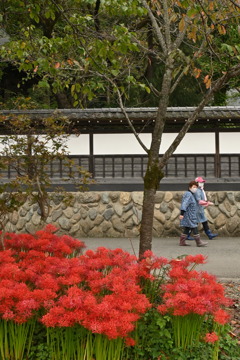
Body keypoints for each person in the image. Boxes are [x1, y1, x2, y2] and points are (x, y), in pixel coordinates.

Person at [179, 180, 208, 247]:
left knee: (187, 228)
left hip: (190, 214)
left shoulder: (191, 194)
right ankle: (199, 242)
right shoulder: (188, 194)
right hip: (189, 214)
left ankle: (182, 241)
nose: (195, 188)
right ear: (190, 187)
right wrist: (182, 213)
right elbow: (184, 204)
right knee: (194, 226)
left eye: (196, 187)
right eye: (194, 187)